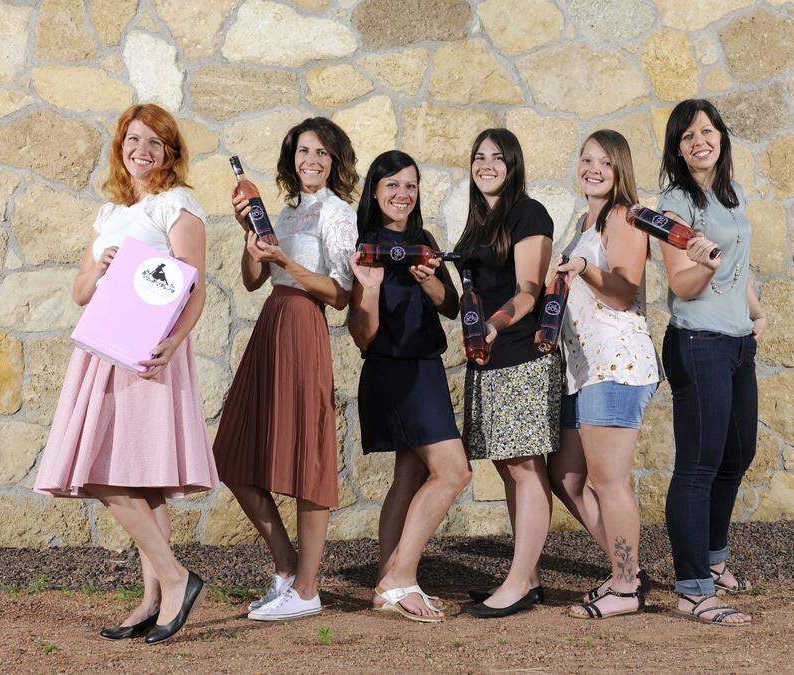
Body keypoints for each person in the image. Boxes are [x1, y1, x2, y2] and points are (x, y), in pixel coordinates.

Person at [34, 103, 214, 645]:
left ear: (170, 152)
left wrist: (172, 345)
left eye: (156, 142)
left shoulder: (177, 205)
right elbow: (81, 293)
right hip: (99, 352)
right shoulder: (108, 214)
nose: (143, 150)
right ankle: (153, 597)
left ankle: (177, 578)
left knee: (108, 474)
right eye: (134, 140)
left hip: (145, 352)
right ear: (121, 146)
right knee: (137, 481)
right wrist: (101, 266)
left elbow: (195, 289)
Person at [213, 117, 359, 622]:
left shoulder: (338, 215)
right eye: (302, 152)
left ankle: (308, 587)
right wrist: (248, 242)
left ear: (334, 161)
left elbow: (340, 294)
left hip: (303, 325)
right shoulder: (287, 211)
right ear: (291, 159)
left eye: (321, 153)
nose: (310, 161)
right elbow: (254, 280)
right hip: (271, 321)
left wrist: (288, 265)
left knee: (306, 456)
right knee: (231, 453)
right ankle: (287, 569)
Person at [346, 150, 472, 623]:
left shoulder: (423, 242)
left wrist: (429, 280)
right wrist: (372, 287)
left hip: (426, 367)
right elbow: (363, 335)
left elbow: (451, 306)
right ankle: (401, 576)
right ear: (376, 192)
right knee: (454, 471)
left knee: (410, 475)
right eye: (393, 185)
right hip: (394, 372)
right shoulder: (365, 246)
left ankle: (386, 583)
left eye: (410, 186)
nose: (402, 194)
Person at [657, 99, 767, 626]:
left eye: (708, 130)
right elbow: (682, 283)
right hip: (697, 342)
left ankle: (715, 560)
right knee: (698, 465)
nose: (701, 140)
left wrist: (755, 311)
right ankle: (693, 588)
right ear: (678, 149)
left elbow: (740, 261)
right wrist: (701, 265)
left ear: (721, 135)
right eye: (688, 136)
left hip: (737, 340)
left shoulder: (732, 193)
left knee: (738, 453)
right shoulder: (676, 203)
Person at [548, 130, 658, 620]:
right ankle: (627, 571)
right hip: (582, 370)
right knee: (566, 478)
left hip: (616, 364)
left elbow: (621, 291)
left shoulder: (624, 216)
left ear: (620, 170)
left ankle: (624, 584)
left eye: (603, 162)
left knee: (608, 481)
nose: (592, 168)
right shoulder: (583, 221)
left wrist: (585, 270)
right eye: (586, 159)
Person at [455, 129, 560, 619]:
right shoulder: (480, 221)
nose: (487, 164)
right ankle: (530, 576)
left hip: (519, 353)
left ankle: (519, 582)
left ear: (513, 163)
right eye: (479, 157)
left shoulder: (528, 212)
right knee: (506, 466)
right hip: (488, 358)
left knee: (523, 466)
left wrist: (494, 327)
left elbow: (529, 290)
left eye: (497, 157)